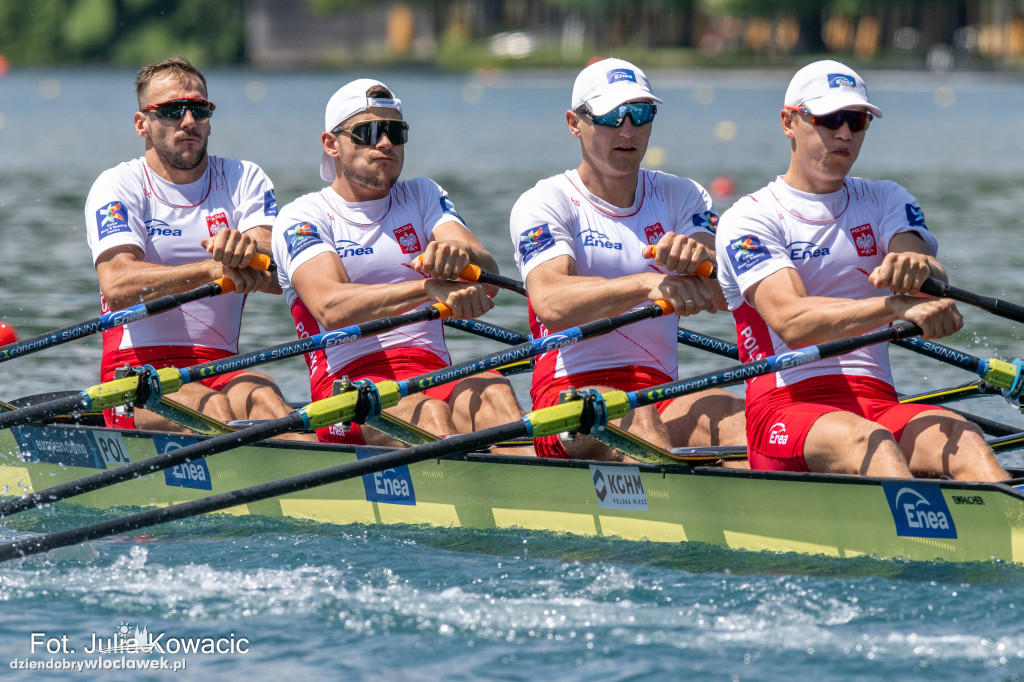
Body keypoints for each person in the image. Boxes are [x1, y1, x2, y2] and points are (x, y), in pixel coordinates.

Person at [715, 59, 1007, 481]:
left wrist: (919, 269)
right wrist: (896, 306)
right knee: (870, 441)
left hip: (878, 405)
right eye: (829, 118)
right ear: (788, 122)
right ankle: (924, 541)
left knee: (964, 437)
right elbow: (792, 322)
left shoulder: (886, 199)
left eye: (857, 120)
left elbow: (924, 269)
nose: (845, 133)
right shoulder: (750, 218)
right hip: (784, 411)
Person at [271, 78, 529, 450]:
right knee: (428, 414)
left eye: (394, 131)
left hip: (432, 375)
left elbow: (488, 281)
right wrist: (426, 288)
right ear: (331, 144)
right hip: (348, 391)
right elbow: (331, 308)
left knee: (493, 391)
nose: (385, 143)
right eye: (368, 132)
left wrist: (462, 256)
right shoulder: (303, 216)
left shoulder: (423, 196)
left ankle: (531, 492)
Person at [508, 57, 746, 460]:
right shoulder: (545, 203)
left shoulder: (681, 195)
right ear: (574, 123)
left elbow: (727, 294)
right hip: (570, 401)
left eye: (640, 113)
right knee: (636, 419)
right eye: (612, 116)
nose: (628, 129)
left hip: (660, 393)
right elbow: (551, 303)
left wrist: (703, 259)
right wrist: (646, 284)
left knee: (734, 414)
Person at [84, 57, 306, 438]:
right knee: (213, 410)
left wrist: (249, 247)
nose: (188, 120)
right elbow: (117, 284)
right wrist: (209, 270)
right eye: (171, 111)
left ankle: (313, 482)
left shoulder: (243, 178)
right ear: (142, 125)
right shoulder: (118, 185)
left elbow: (275, 266)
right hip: (135, 375)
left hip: (220, 367)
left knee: (268, 401)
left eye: (199, 109)